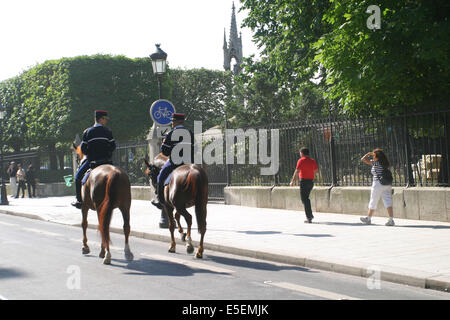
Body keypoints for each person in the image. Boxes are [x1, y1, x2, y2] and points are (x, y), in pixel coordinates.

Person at [71, 110, 116, 209]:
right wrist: (107, 154)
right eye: (105, 119)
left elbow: (83, 149)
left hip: (92, 161)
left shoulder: (88, 132)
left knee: (78, 177)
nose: (106, 121)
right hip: (107, 161)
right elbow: (113, 146)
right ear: (100, 119)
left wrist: (91, 154)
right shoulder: (108, 131)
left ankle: (79, 200)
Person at [151, 113, 194, 211]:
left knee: (160, 177)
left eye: (173, 121)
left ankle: (160, 201)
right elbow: (195, 149)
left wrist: (164, 142)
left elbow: (165, 152)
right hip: (189, 163)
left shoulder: (171, 133)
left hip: (175, 163)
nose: (172, 123)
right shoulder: (190, 133)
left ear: (176, 122)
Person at [360, 148, 395, 226]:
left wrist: (368, 154)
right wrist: (374, 154)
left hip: (377, 184)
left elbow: (363, 159)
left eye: (374, 155)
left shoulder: (376, 163)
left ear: (377, 157)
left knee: (373, 200)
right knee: (388, 200)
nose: (372, 157)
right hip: (387, 184)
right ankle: (391, 219)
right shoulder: (385, 163)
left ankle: (368, 218)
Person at [290, 147, 319, 223]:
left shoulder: (301, 160)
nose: (300, 154)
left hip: (304, 182)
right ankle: (309, 216)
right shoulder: (312, 161)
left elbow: (297, 171)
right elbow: (316, 171)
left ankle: (309, 217)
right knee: (306, 198)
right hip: (311, 181)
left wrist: (292, 181)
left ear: (302, 153)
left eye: (300, 153)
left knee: (305, 199)